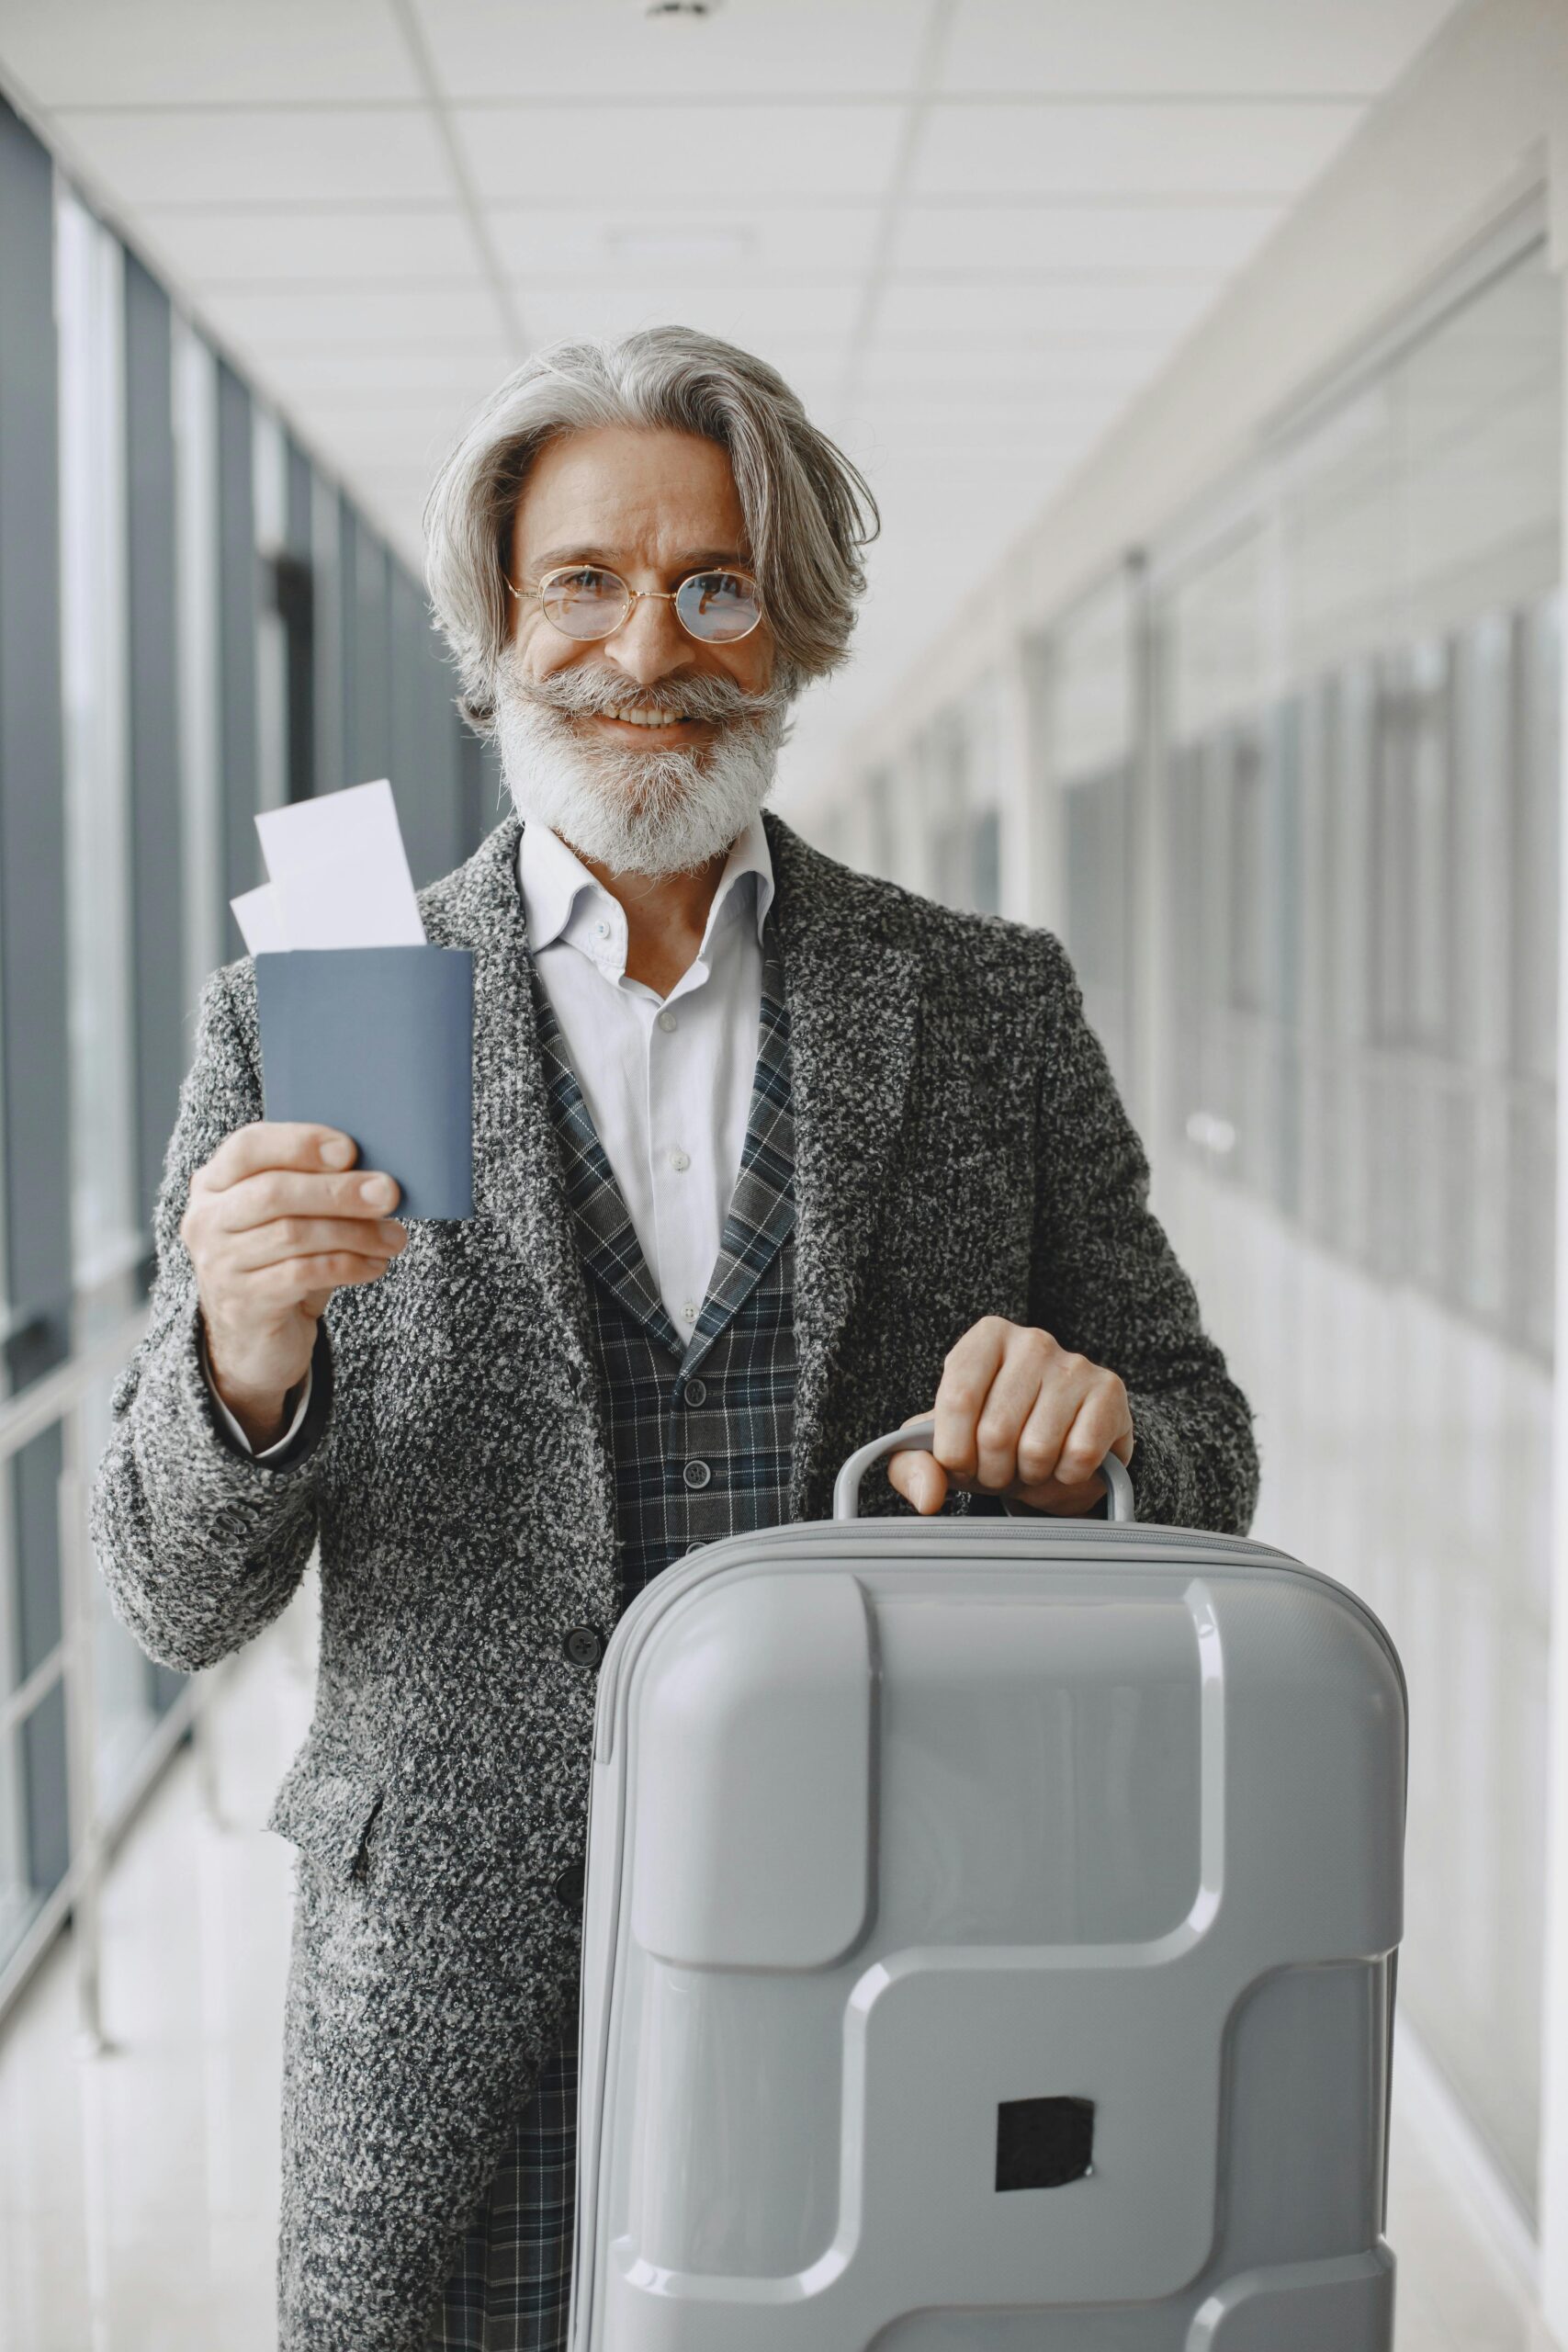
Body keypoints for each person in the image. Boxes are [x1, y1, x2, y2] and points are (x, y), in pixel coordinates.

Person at [89, 323, 1259, 2352]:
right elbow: (170, 1592)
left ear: (791, 627)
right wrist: (241, 1358)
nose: (651, 645)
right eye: (585, 584)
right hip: (456, 2006)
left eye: (716, 582)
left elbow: (1206, 1444)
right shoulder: (296, 1015)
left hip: (902, 1949)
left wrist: (1108, 1444)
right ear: (500, 628)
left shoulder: (980, 1005)